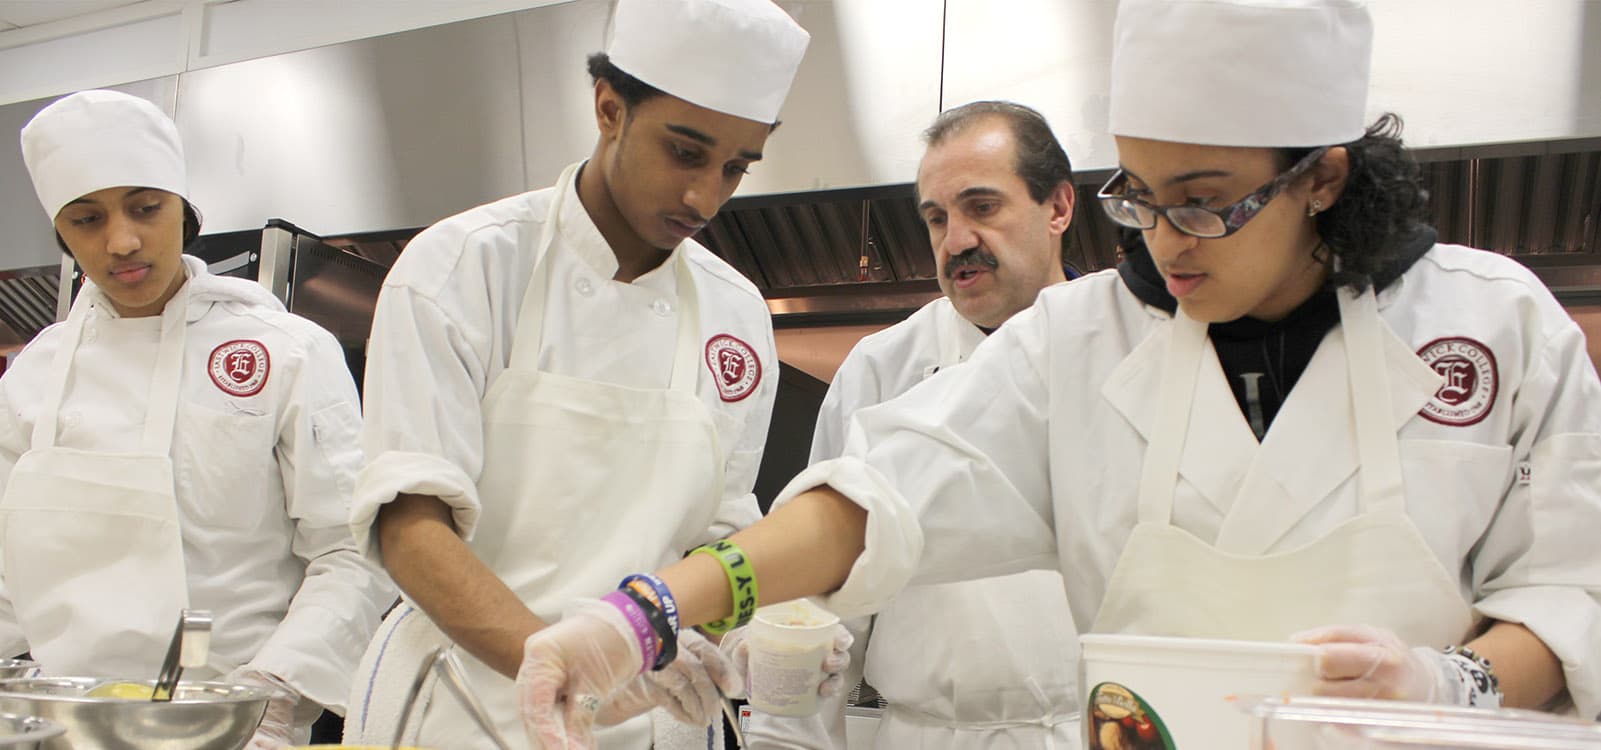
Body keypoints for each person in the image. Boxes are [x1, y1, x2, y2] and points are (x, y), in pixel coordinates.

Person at [514, 0, 1601, 745]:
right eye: (1140, 191)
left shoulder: (1492, 324)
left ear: (1319, 177)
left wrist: (1448, 684)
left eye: (1205, 196)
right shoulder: (1083, 340)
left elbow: (1568, 598)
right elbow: (873, 501)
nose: (1166, 239)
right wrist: (645, 613)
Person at [342, 1, 810, 747]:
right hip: (468, 707)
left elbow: (717, 532)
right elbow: (410, 528)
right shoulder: (465, 266)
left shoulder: (736, 313)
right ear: (609, 108)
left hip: (651, 716)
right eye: (685, 153)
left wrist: (746, 629)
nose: (706, 197)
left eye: (734, 167)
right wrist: (560, 666)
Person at [2, 89, 396, 748]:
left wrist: (276, 695)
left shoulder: (286, 351)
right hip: (59, 728)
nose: (121, 240)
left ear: (184, 210)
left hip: (237, 722)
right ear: (62, 234)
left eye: (145, 208)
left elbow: (352, 549)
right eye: (86, 219)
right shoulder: (34, 377)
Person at [744, 100, 1082, 750]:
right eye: (936, 218)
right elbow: (817, 598)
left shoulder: (1119, 352)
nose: (955, 241)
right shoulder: (880, 367)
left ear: (1058, 208)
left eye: (981, 207)